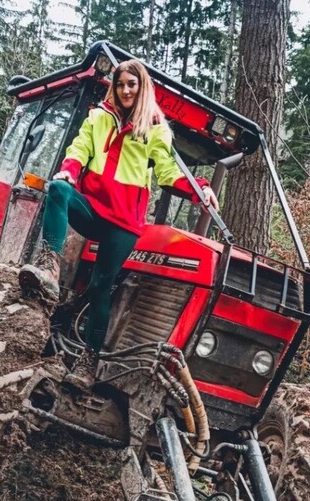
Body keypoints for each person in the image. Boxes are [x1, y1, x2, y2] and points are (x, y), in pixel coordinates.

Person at [19, 59, 218, 390]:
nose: (126, 90)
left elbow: (168, 172)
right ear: (115, 86)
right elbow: (80, 148)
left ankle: (89, 361)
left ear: (142, 89)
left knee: (100, 287)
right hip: (94, 208)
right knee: (58, 190)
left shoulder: (155, 128)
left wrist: (200, 190)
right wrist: (69, 168)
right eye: (122, 84)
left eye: (133, 84)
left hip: (124, 224)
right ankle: (49, 267)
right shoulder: (99, 117)